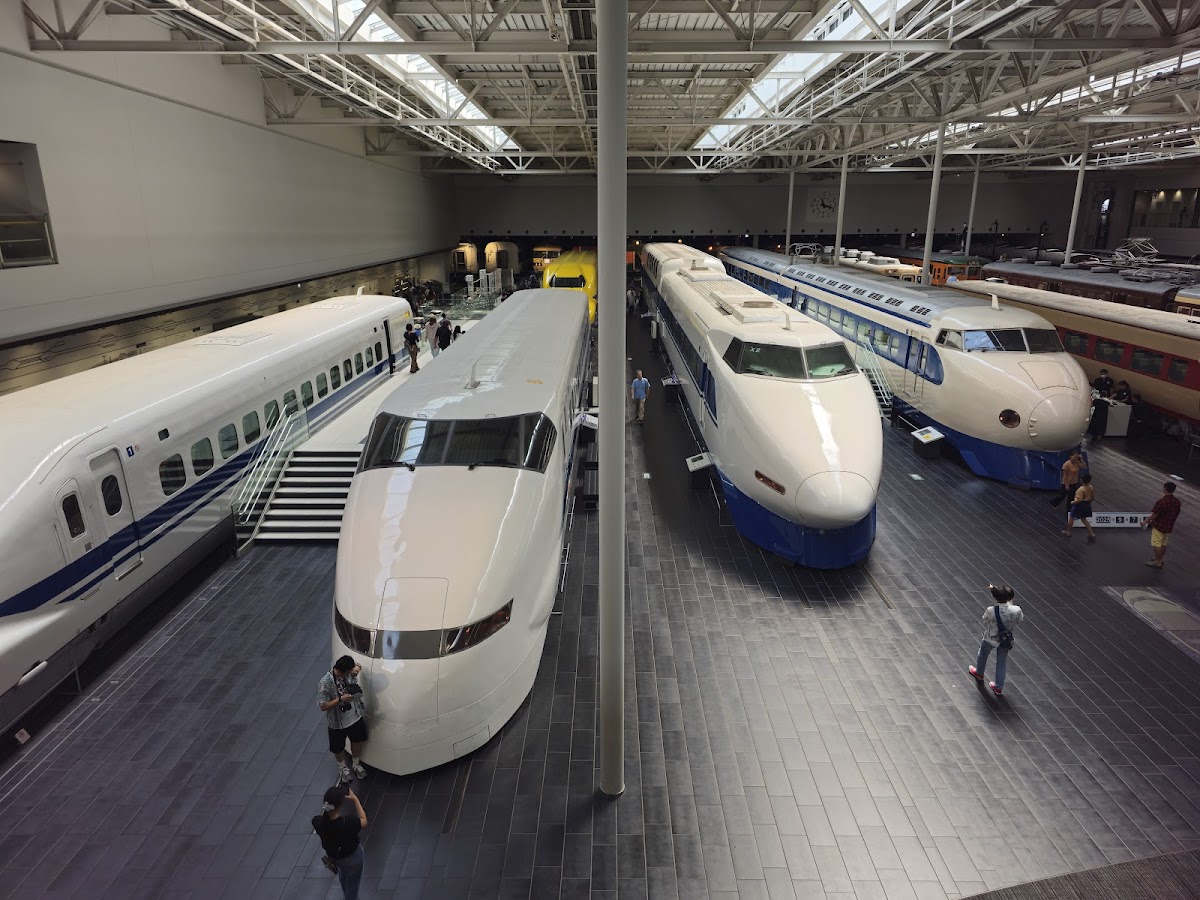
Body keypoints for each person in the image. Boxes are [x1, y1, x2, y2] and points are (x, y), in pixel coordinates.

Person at [318, 655, 369, 783]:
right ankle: (343, 768)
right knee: (338, 747)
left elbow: (356, 667)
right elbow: (323, 705)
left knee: (357, 741)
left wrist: (356, 669)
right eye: (348, 672)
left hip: (355, 716)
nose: (350, 674)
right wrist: (340, 699)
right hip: (337, 723)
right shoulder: (325, 683)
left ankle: (356, 764)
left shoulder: (347, 673)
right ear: (341, 671)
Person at [312, 784, 367, 900]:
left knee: (345, 879)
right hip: (353, 859)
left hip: (337, 860)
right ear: (341, 803)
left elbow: (322, 819)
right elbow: (364, 821)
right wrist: (355, 800)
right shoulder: (348, 823)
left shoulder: (318, 822)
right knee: (352, 888)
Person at [968, 584, 1024, 696]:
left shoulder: (991, 610)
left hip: (990, 638)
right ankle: (998, 687)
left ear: (995, 598)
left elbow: (985, 619)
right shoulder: (1017, 610)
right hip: (1005, 640)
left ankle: (979, 673)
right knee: (1001, 662)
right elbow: (1020, 620)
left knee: (983, 654)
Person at [1142, 481, 1182, 569]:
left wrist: (1146, 521)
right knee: (1164, 543)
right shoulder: (1177, 502)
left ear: (1165, 489)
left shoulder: (1161, 502)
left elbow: (1155, 514)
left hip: (1159, 526)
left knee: (1157, 543)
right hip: (1168, 526)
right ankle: (1159, 558)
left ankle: (1157, 562)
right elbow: (1177, 513)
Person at [1063, 473, 1096, 542]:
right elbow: (1092, 497)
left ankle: (1068, 532)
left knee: (1071, 518)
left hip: (1079, 505)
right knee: (1084, 519)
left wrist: (1073, 502)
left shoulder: (1080, 490)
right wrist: (1089, 502)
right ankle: (1091, 533)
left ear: (1081, 480)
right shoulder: (1091, 487)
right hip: (1087, 504)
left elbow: (1079, 500)